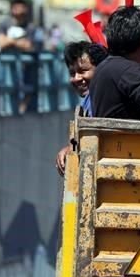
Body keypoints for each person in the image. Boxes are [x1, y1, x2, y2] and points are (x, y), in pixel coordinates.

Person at [55, 41, 109, 176]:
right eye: (72, 73)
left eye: (83, 71)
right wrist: (70, 149)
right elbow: (76, 139)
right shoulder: (86, 103)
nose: (77, 78)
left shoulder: (105, 97)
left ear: (100, 69)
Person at [0, 0, 44, 113]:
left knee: (28, 91)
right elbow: (1, 43)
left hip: (27, 68)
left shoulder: (31, 27)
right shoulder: (4, 24)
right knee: (8, 90)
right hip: (8, 68)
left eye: (22, 7)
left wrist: (11, 41)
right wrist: (18, 42)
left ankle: (23, 110)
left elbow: (29, 45)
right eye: (16, 7)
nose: (19, 11)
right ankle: (9, 111)